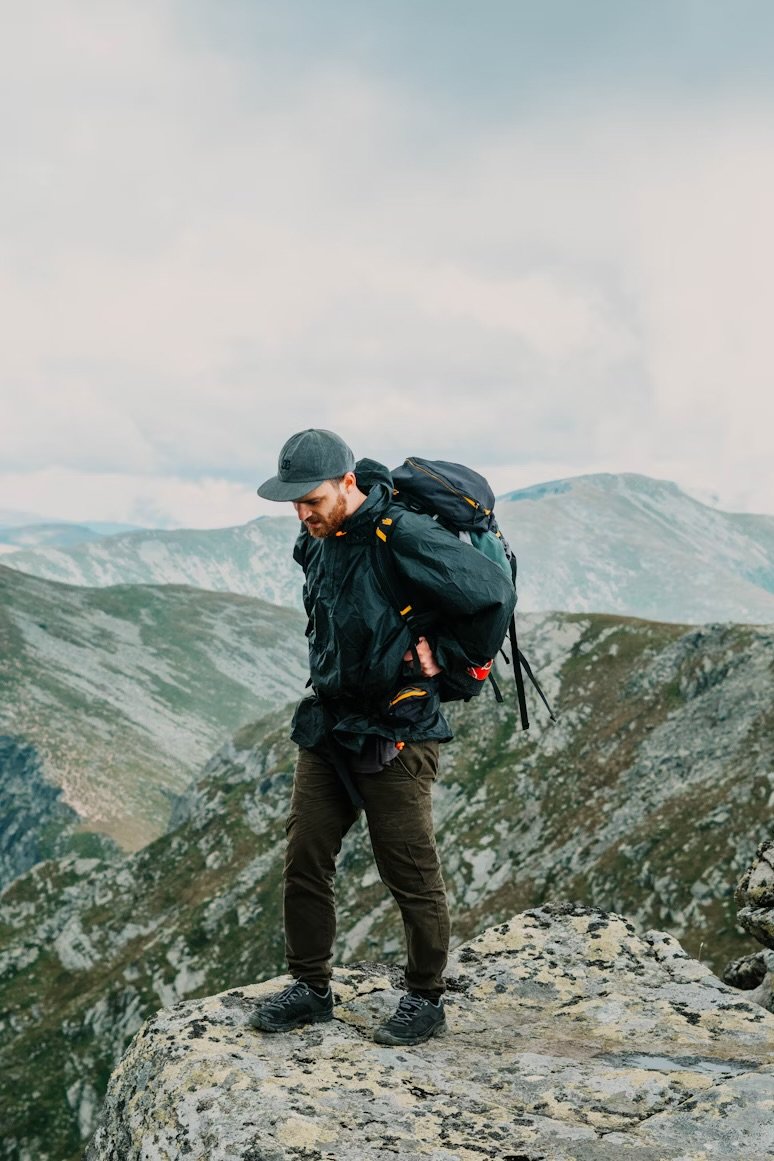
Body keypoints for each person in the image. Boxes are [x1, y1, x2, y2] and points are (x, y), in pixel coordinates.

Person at [251, 428, 516, 1045]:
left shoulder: (400, 533)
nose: (301, 513)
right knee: (306, 858)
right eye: (293, 502)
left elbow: (491, 594)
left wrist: (447, 658)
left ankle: (426, 997)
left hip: (397, 729)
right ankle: (310, 989)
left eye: (311, 499)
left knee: (410, 872)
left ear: (348, 484)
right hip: (330, 722)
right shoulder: (315, 538)